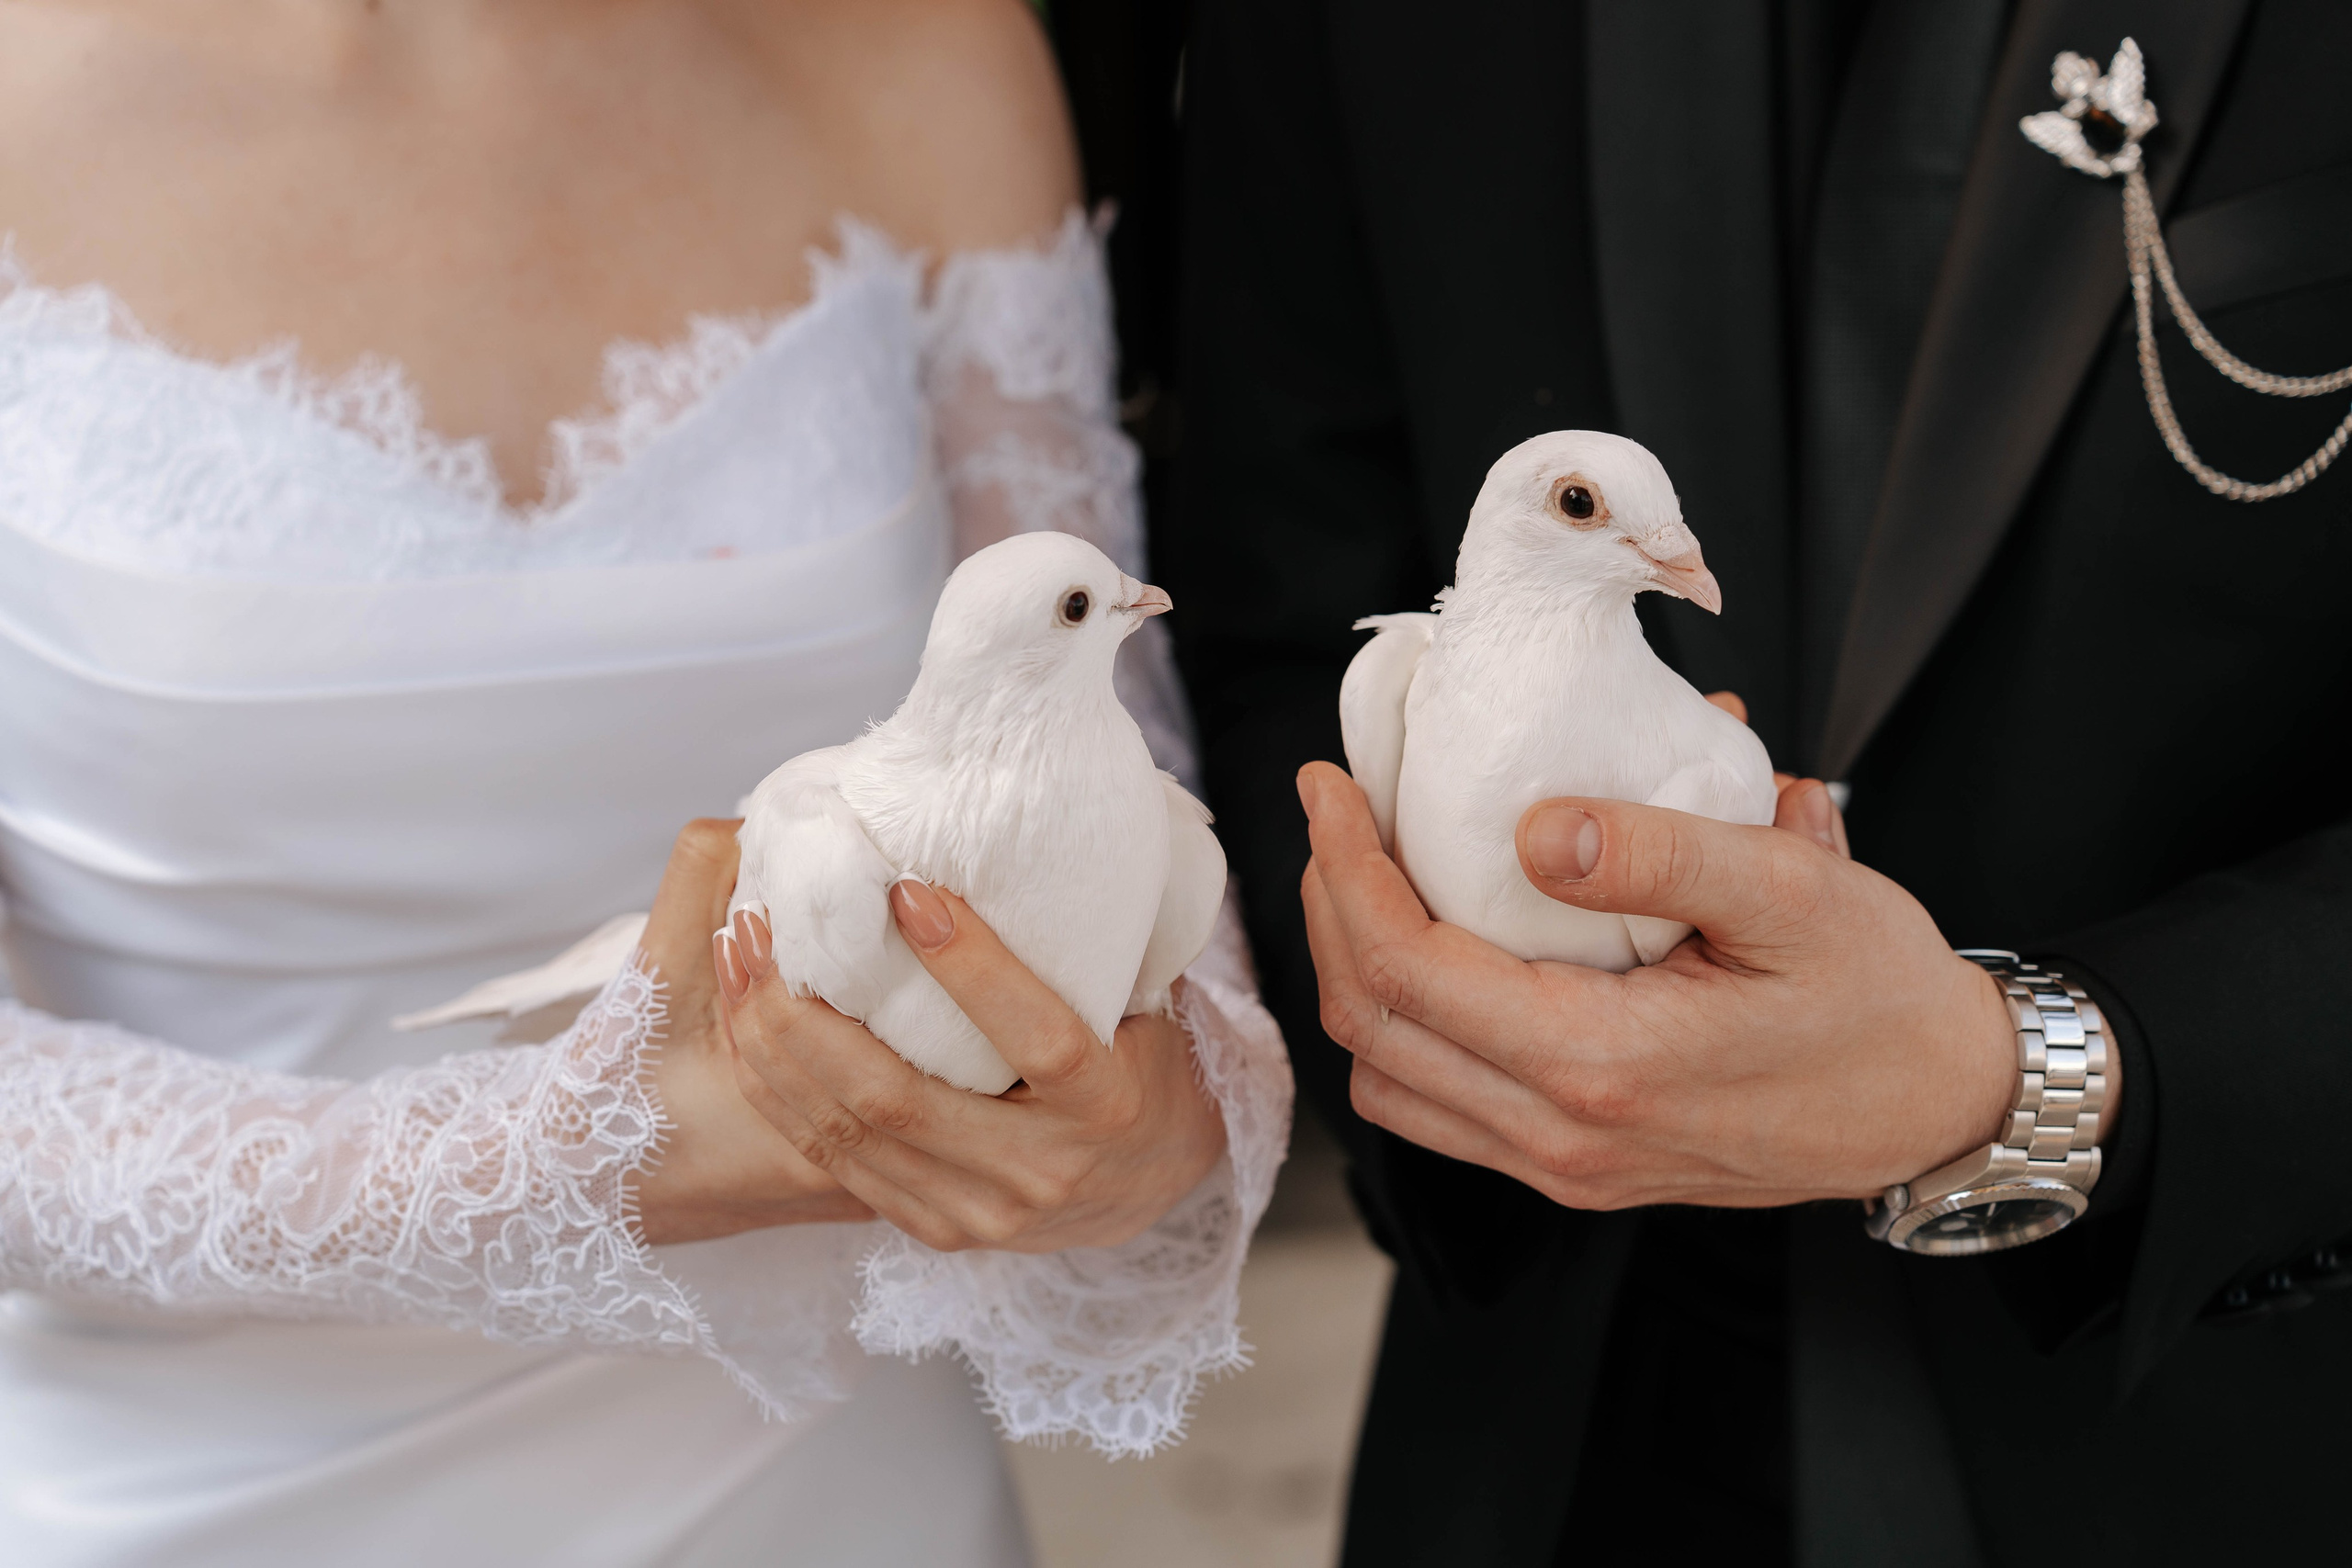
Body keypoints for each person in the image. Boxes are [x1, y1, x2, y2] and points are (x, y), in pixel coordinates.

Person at [0, 3, 1288, 1563]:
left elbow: (1105, 748)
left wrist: (1160, 1105)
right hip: (165, 1498)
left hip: (829, 1498)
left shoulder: (920, 46)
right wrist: (542, 1172)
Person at [1168, 0, 2351, 1562]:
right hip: (1556, 1420)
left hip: (2214, 1424)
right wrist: (1439, 1046)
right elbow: (1275, 587)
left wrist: (2042, 1073)